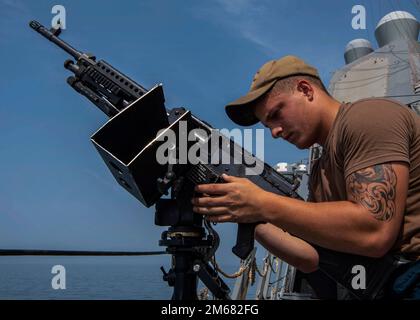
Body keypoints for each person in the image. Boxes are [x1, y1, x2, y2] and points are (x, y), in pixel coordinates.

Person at [191, 55, 420, 299]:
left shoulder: (367, 118)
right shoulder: (320, 172)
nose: (275, 132)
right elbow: (311, 257)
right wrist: (242, 212)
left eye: (276, 114)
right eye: (267, 126)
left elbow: (374, 231)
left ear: (305, 89)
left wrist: (262, 203)